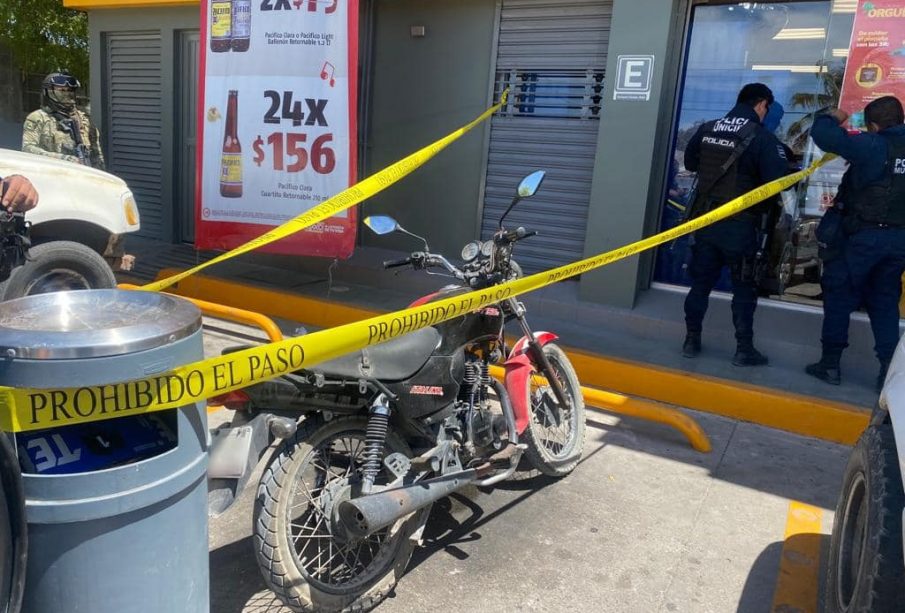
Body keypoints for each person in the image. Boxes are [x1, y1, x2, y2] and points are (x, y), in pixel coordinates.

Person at [682, 83, 790, 366]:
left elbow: (691, 164)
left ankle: (691, 340)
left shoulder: (708, 128)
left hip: (706, 222)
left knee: (700, 285)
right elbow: (776, 180)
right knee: (744, 288)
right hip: (741, 226)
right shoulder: (762, 137)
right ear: (762, 104)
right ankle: (744, 349)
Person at [805, 96, 905, 391]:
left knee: (839, 295)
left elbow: (822, 134)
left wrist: (833, 114)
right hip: (899, 240)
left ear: (874, 125)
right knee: (885, 302)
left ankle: (830, 364)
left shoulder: (874, 145)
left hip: (863, 237)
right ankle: (888, 374)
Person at [22, 71, 105, 170]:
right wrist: (63, 159)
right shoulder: (38, 118)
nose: (66, 94)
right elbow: (28, 149)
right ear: (49, 92)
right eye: (61, 90)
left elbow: (97, 158)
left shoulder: (85, 120)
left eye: (69, 91)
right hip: (50, 173)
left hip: (83, 175)